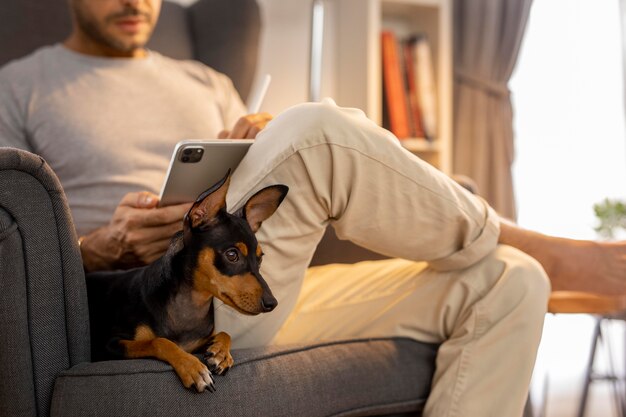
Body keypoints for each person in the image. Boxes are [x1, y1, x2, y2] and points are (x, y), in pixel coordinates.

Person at [1, 0, 625, 415]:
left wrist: (263, 144)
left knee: (511, 280)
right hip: (152, 300)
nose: (135, 1)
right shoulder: (21, 85)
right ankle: (554, 249)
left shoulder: (204, 81)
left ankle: (526, 253)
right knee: (317, 129)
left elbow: (247, 197)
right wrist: (96, 247)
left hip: (249, 283)